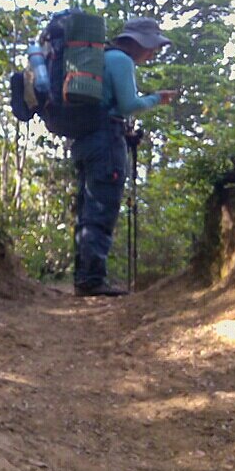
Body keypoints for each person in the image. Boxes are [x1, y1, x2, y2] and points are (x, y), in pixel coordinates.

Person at [73, 17, 178, 297]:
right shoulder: (121, 60)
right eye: (151, 47)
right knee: (102, 207)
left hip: (85, 140)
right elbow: (129, 104)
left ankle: (84, 276)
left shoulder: (101, 57)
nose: (152, 53)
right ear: (137, 43)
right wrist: (157, 98)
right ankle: (92, 280)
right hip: (106, 141)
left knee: (86, 208)